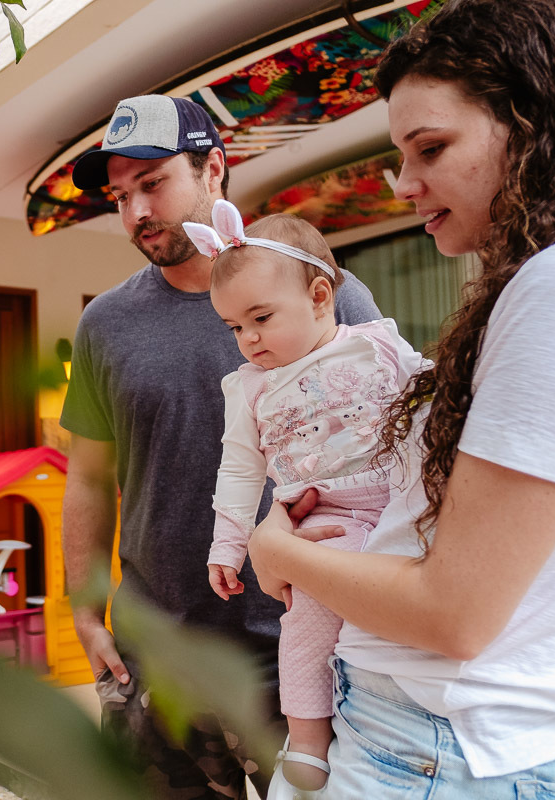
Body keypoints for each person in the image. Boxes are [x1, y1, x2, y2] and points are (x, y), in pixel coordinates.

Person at [245, 0, 555, 796]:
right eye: (402, 154)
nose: (404, 184)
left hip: (435, 749)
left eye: (431, 148)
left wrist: (277, 552)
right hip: (456, 741)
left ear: (535, 124)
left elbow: (452, 613)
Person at [60, 93, 382, 799]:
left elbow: (390, 440)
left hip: (297, 652)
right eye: (120, 197)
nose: (136, 212)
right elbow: (87, 477)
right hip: (156, 659)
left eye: (152, 183)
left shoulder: (324, 292)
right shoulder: (105, 325)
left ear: (214, 171)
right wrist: (83, 613)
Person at [180, 200, 423, 798]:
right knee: (307, 624)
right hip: (324, 523)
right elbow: (239, 470)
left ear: (319, 297)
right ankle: (309, 737)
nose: (249, 339)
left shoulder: (375, 344)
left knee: (407, 618)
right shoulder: (250, 389)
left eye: (261, 318)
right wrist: (228, 546)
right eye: (234, 327)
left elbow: (432, 394)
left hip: (403, 507)